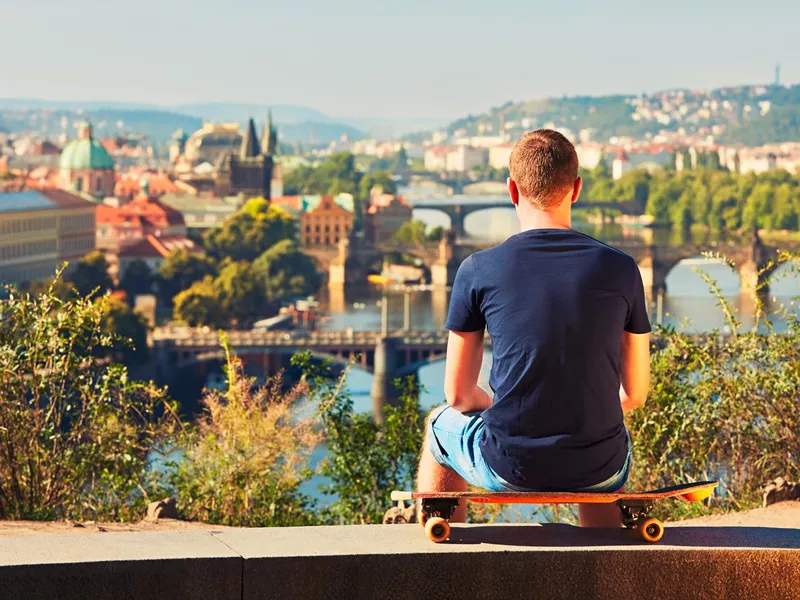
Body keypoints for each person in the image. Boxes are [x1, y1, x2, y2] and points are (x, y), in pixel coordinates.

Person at [416, 129, 651, 527]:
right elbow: (635, 394)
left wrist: (507, 410)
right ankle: (602, 553)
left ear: (512, 189)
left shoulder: (478, 269)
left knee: (440, 424)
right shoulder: (622, 268)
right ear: (576, 189)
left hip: (510, 464)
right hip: (601, 465)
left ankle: (443, 548)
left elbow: (457, 394)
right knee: (600, 445)